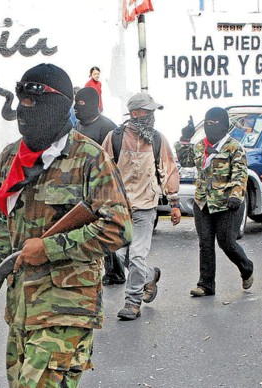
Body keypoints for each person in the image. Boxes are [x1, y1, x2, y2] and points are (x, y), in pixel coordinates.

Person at [0, 63, 132, 387]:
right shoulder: (10, 157)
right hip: (21, 309)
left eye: (33, 103)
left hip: (67, 309)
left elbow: (119, 227)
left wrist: (48, 248)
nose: (24, 110)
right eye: (21, 101)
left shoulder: (90, 158)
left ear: (58, 106)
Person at [102, 92, 181, 320]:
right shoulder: (114, 138)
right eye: (148, 112)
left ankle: (132, 302)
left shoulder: (157, 139)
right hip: (118, 208)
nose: (152, 116)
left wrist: (174, 203)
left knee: (136, 256)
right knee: (119, 254)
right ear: (135, 114)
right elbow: (103, 171)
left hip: (146, 207)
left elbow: (169, 170)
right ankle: (149, 275)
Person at [175, 107, 254, 296]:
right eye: (207, 124)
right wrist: (185, 139)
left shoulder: (234, 147)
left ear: (224, 126)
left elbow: (240, 174)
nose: (210, 127)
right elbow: (185, 161)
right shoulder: (200, 146)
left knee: (227, 242)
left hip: (227, 203)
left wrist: (236, 195)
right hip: (203, 202)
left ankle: (246, 268)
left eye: (215, 124)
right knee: (205, 243)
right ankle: (206, 284)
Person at [73, 86, 125, 285]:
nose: (77, 107)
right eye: (76, 103)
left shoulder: (108, 127)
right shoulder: (78, 125)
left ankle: (135, 271)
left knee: (106, 229)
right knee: (93, 229)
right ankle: (114, 272)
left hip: (103, 186)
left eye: (82, 103)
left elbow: (117, 158)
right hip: (83, 186)